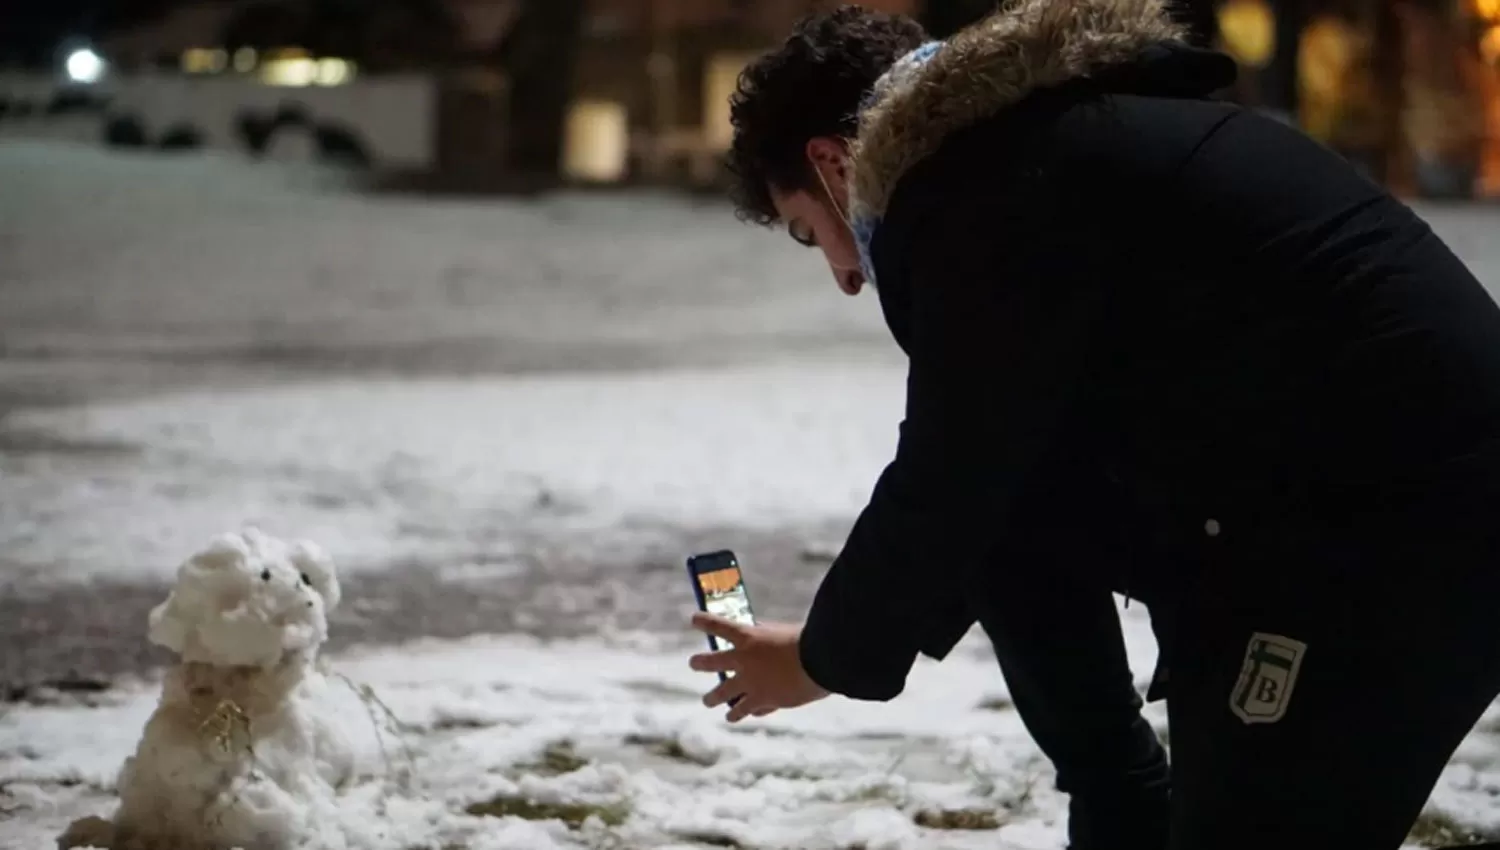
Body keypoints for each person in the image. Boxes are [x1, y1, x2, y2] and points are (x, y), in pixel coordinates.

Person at [683, 1, 1500, 848]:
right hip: (1343, 501)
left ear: (832, 163)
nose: (845, 275)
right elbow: (1003, 483)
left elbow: (949, 474)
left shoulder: (979, 191)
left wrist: (820, 661)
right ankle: (1121, 801)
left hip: (1395, 527)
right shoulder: (1050, 146)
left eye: (811, 233)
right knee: (1015, 506)